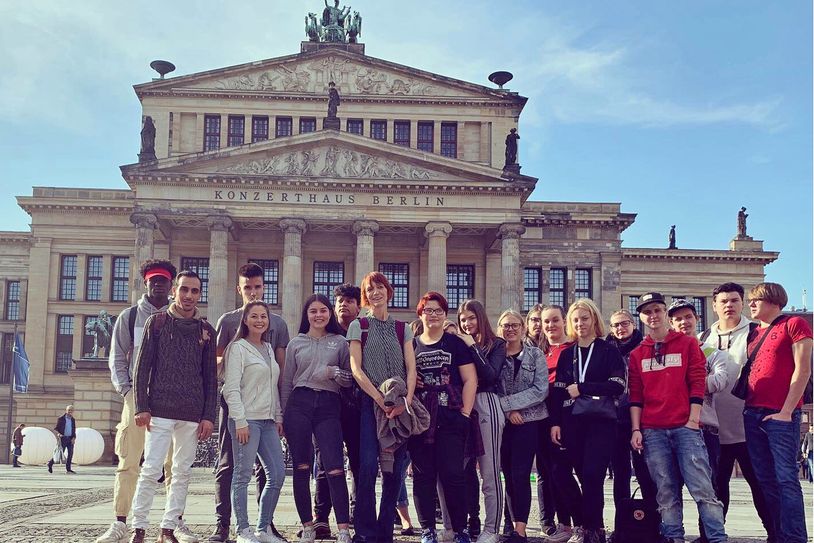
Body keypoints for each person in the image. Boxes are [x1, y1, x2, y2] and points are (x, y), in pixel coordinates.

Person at [96, 259, 187, 543]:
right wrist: (126, 391)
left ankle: (175, 523)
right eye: (153, 280)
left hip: (173, 400)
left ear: (171, 286)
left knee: (175, 464)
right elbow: (117, 358)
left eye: (163, 281)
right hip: (138, 397)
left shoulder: (182, 318)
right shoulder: (131, 316)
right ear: (145, 283)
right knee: (129, 460)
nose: (158, 285)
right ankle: (120, 521)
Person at [629, 292, 727, 543]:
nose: (652, 316)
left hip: (686, 428)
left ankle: (717, 538)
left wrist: (693, 420)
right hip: (653, 430)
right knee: (666, 492)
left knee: (703, 489)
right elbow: (636, 395)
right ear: (641, 316)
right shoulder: (637, 354)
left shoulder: (687, 344)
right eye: (647, 312)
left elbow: (697, 383)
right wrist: (636, 429)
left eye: (657, 310)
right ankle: (674, 538)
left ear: (664, 313)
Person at [129, 270, 217, 543]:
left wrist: (208, 416)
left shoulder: (206, 330)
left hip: (191, 413)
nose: (189, 296)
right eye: (184, 290)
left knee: (181, 472)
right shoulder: (157, 323)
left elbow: (210, 378)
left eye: (194, 291)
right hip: (159, 410)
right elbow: (142, 368)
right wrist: (141, 406)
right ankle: (138, 527)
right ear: (174, 291)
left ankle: (168, 528)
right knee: (151, 469)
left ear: (199, 294)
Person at [211, 263, 290, 543]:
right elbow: (220, 371)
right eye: (248, 288)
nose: (253, 293)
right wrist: (239, 416)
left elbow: (278, 375)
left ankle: (263, 526)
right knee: (231, 467)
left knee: (274, 472)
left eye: (258, 287)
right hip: (239, 412)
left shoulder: (273, 334)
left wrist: (279, 414)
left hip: (267, 415)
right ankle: (230, 526)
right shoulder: (229, 326)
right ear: (239, 290)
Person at [347, 271, 417, 543]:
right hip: (371, 402)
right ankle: (364, 531)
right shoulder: (359, 326)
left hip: (400, 405)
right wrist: (379, 399)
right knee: (367, 465)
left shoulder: (404, 328)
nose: (376, 292)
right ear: (366, 296)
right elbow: (355, 368)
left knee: (395, 470)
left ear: (389, 291)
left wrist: (405, 402)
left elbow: (411, 368)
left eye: (380, 287)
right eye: (370, 289)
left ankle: (385, 529)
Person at [699, 283, 773, 539]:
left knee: (760, 485)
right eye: (724, 301)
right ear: (714, 306)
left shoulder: (756, 333)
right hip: (714, 428)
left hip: (749, 426)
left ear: (742, 303)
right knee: (715, 489)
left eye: (734, 300)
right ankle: (710, 535)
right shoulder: (704, 338)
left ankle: (775, 533)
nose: (729, 305)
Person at [550, 299, 625, 543]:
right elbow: (560, 392)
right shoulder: (567, 354)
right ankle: (584, 523)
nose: (580, 323)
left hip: (601, 422)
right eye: (575, 319)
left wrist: (582, 387)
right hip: (571, 422)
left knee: (592, 476)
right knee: (561, 473)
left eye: (585, 318)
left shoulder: (608, 350)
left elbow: (617, 386)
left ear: (594, 319)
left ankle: (594, 532)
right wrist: (556, 423)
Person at [742, 282, 812, 543]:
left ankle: (794, 538)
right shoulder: (754, 333)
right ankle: (777, 535)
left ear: (773, 300)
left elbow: (802, 369)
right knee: (765, 481)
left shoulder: (794, 324)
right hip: (752, 413)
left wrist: (786, 411)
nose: (751, 304)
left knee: (785, 480)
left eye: (755, 299)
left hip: (780, 415)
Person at [281, 294, 353, 543]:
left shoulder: (340, 342)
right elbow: (287, 383)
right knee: (301, 467)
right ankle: (308, 525)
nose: (318, 315)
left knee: (334, 466)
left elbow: (349, 378)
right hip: (299, 405)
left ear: (330, 313)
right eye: (313, 311)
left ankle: (343, 527)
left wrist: (334, 372)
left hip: (328, 405)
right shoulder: (296, 344)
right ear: (306, 315)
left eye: (323, 310)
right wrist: (282, 415)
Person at [409, 292, 477, 543]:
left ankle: (460, 529)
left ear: (445, 314)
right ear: (421, 313)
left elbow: (470, 379)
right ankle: (427, 529)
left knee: (453, 475)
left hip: (450, 417)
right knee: (423, 475)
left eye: (438, 310)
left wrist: (465, 415)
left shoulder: (455, 343)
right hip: (421, 420)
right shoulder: (412, 344)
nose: (434, 315)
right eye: (429, 310)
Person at [312, 283, 363, 538]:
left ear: (359, 306)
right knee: (325, 463)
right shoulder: (324, 335)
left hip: (356, 409)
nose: (344, 305)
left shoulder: (364, 335)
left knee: (358, 463)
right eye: (340, 301)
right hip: (327, 408)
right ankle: (321, 518)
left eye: (350, 301)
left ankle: (357, 514)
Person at [531, 305, 583, 543]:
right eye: (546, 322)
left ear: (564, 321)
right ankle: (564, 524)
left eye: (555, 320)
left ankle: (584, 523)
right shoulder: (539, 351)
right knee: (551, 474)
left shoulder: (575, 349)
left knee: (566, 473)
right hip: (542, 418)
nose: (550, 326)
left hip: (568, 418)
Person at [456, 299, 506, 543]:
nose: (467, 323)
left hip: (487, 402)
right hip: (462, 405)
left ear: (481, 318)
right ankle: (462, 523)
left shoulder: (497, 344)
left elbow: (489, 374)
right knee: (460, 469)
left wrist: (472, 347)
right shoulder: (459, 344)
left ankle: (491, 528)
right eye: (463, 319)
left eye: (471, 318)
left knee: (489, 470)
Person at [495, 310, 548, 543]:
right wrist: (508, 411)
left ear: (523, 328)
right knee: (506, 474)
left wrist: (511, 406)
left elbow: (540, 390)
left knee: (521, 474)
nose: (510, 329)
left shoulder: (535, 355)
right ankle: (510, 524)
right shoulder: (495, 355)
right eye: (506, 325)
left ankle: (521, 529)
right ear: (499, 329)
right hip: (503, 423)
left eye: (515, 325)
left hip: (529, 422)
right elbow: (490, 385)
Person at [604, 310, 656, 543]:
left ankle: (652, 524)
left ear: (633, 324)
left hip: (641, 418)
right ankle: (622, 526)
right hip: (615, 418)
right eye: (615, 325)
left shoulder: (646, 346)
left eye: (624, 324)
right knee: (621, 474)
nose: (620, 328)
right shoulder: (606, 349)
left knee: (645, 473)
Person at [48, 405, 77, 474]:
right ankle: (50, 464)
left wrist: (74, 438)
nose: (70, 411)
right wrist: (59, 434)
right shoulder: (61, 418)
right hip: (63, 438)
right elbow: (56, 428)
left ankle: (68, 469)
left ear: (73, 411)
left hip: (70, 439)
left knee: (70, 454)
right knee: (59, 454)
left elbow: (73, 430)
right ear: (66, 410)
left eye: (71, 410)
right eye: (69, 410)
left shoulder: (73, 419)